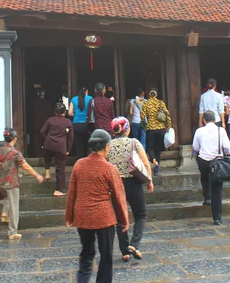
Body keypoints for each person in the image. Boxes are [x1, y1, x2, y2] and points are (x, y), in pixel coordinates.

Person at [66, 130, 129, 283]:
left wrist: (69, 216)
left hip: (83, 215)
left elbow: (71, 193)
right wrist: (124, 219)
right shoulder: (109, 168)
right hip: (104, 217)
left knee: (86, 254)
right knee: (106, 255)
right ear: (107, 147)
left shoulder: (79, 165)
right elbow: (119, 196)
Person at [107, 117, 154, 262]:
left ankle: (125, 251)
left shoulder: (108, 145)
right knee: (140, 215)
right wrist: (149, 181)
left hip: (116, 184)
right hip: (133, 182)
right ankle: (134, 244)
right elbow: (145, 163)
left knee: (120, 218)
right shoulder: (134, 142)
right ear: (126, 129)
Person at [0, 128, 44, 240]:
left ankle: (5, 212)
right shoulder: (15, 153)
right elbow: (26, 166)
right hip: (11, 182)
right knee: (14, 206)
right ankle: (12, 232)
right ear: (15, 139)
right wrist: (37, 175)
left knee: (6, 197)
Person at [192, 111, 230, 226]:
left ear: (204, 120)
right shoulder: (221, 131)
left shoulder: (199, 131)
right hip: (217, 162)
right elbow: (228, 148)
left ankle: (207, 198)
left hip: (204, 160)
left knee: (205, 179)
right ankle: (217, 217)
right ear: (215, 120)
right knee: (217, 189)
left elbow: (195, 147)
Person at [41, 102, 74, 197]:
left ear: (55, 112)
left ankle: (47, 171)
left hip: (49, 144)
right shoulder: (67, 122)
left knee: (47, 156)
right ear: (64, 112)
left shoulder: (50, 120)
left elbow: (42, 131)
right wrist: (68, 149)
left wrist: (46, 140)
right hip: (61, 146)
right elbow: (70, 137)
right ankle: (59, 190)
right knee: (60, 168)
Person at [140, 88, 171, 176]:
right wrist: (168, 126)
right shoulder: (160, 103)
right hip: (161, 129)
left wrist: (144, 126)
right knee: (158, 148)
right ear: (156, 94)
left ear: (150, 95)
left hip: (150, 129)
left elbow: (142, 116)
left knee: (150, 147)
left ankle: (154, 161)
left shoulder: (146, 103)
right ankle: (157, 165)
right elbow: (167, 114)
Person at [69, 87, 93, 159]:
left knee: (79, 145)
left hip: (76, 124)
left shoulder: (73, 99)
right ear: (87, 92)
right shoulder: (90, 98)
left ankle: (79, 162)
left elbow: (70, 113)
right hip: (87, 124)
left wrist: (76, 115)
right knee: (88, 144)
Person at [33, 88, 54, 157]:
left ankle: (38, 155)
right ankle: (47, 155)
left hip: (36, 125)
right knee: (46, 140)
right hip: (45, 125)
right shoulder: (47, 103)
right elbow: (51, 114)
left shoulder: (34, 103)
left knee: (37, 141)